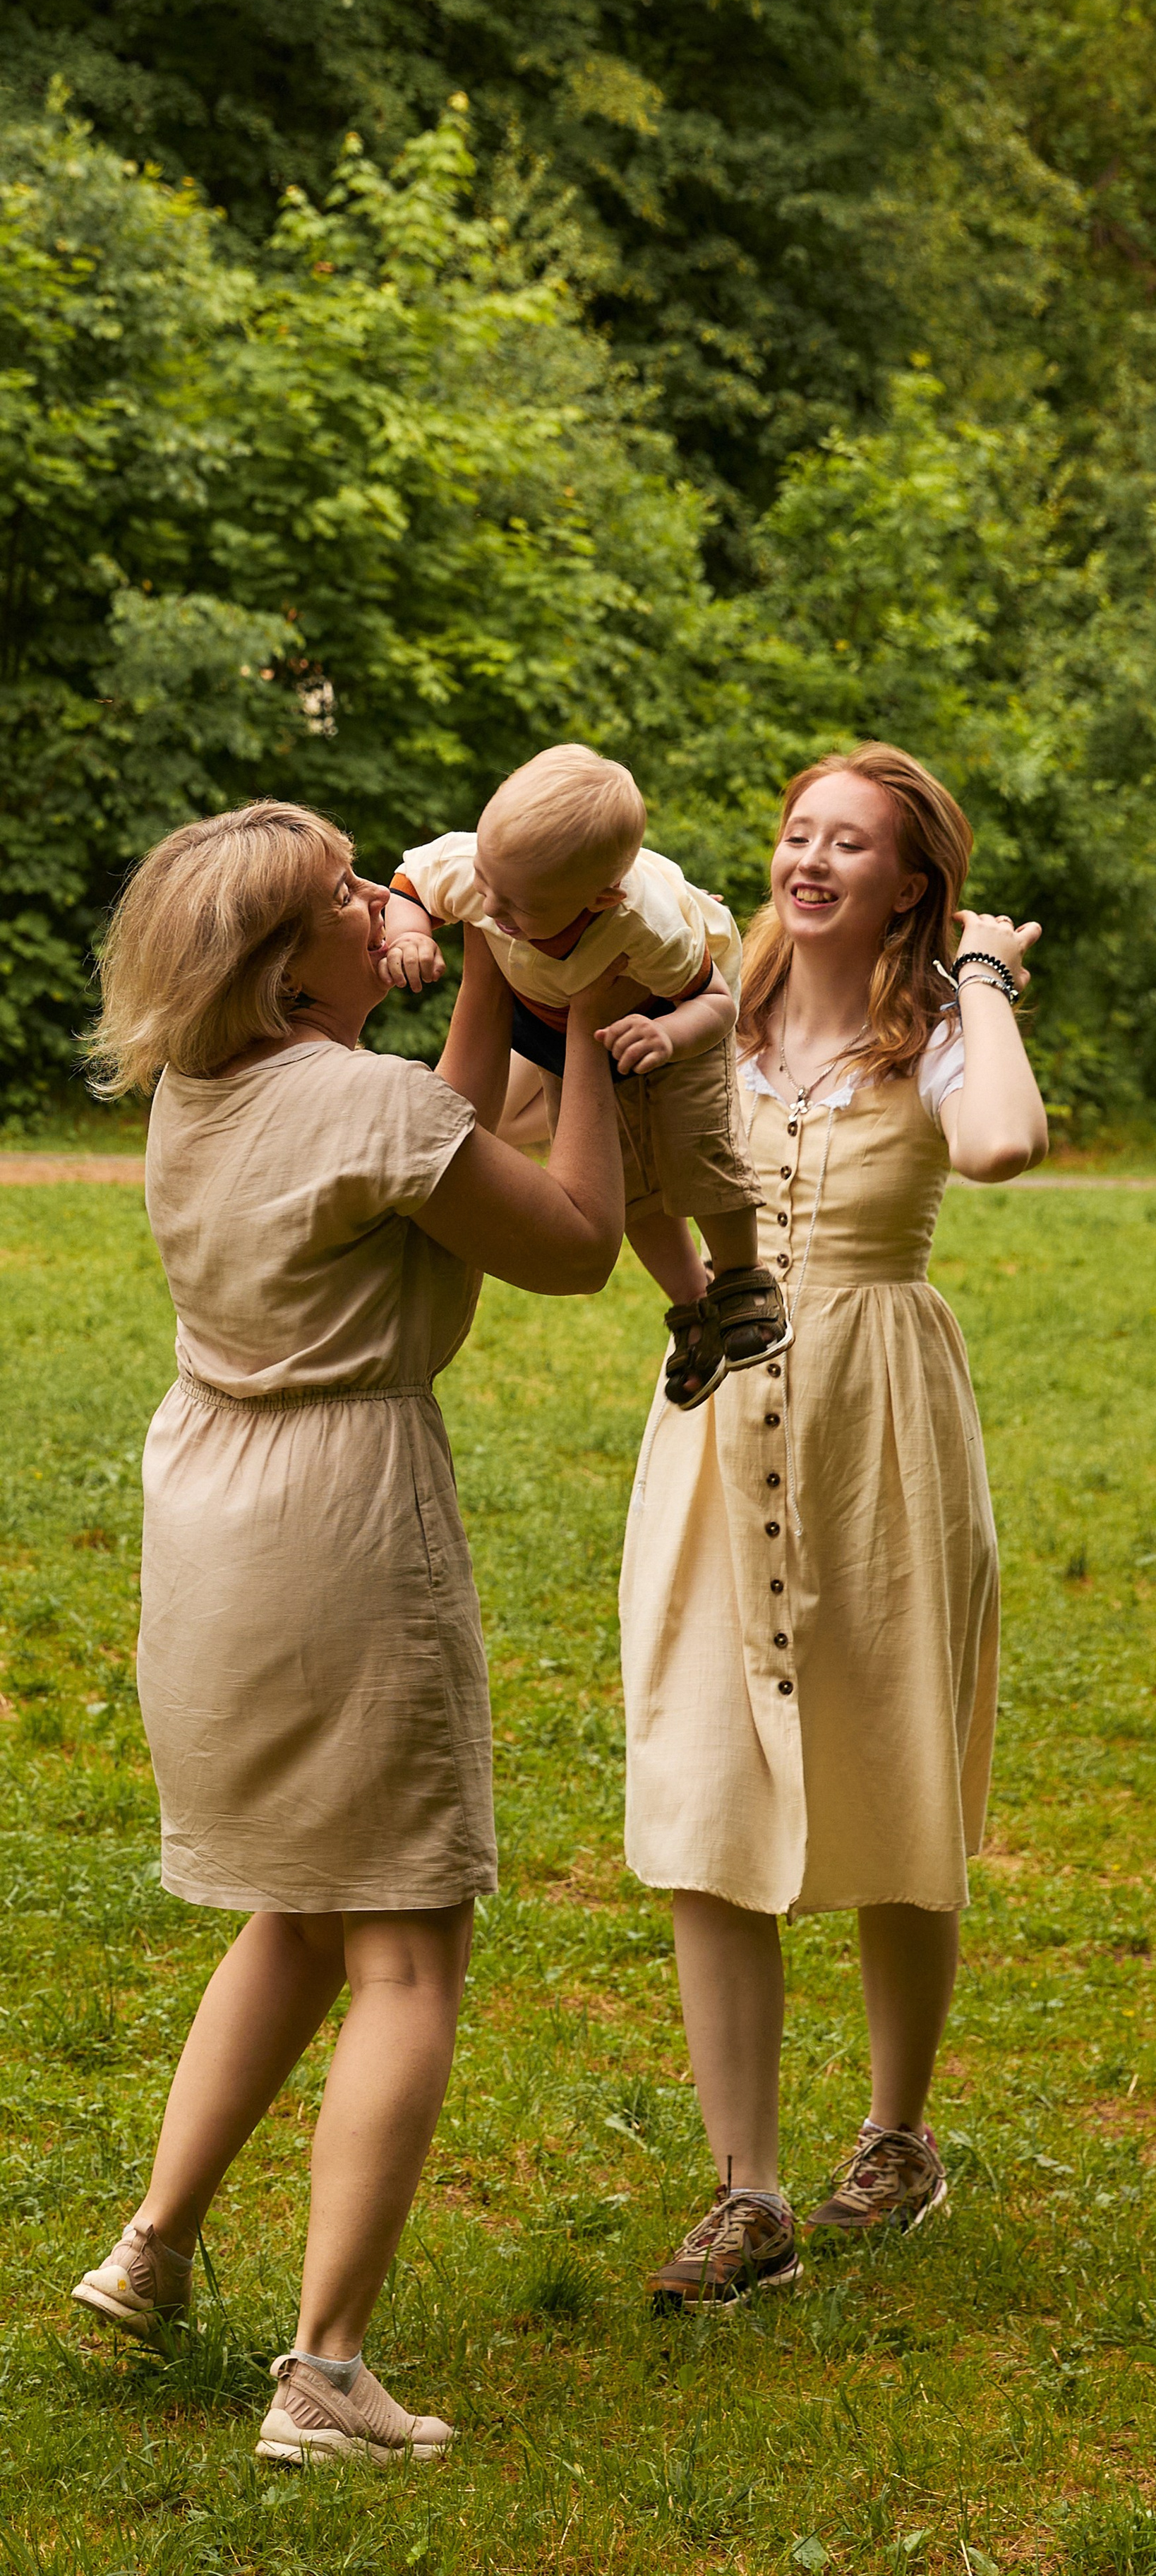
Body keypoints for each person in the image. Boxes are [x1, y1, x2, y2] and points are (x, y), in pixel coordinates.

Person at [70, 801, 624, 2464]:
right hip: (339, 1521)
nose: (376, 889)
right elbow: (579, 1244)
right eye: (340, 891)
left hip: (217, 1512)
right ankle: (322, 2370)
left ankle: (152, 2245)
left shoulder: (207, 1085)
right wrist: (590, 997)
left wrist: (473, 974)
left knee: (295, 1910)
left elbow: (421, 1129)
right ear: (280, 958)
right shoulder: (357, 1105)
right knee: (398, 1943)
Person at [617, 743, 1049, 2311]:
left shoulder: (932, 1031)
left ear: (908, 886)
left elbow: (1000, 1146)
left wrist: (982, 978)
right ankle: (746, 2197)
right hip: (718, 1416)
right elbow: (581, 1162)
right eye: (796, 833)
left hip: (880, 1426)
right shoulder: (700, 1028)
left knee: (890, 1773)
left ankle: (897, 2136)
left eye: (848, 846)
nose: (807, 863)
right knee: (705, 1786)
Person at [383, 742, 790, 1407]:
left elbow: (717, 1003)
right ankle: (692, 1303)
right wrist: (410, 935)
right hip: (558, 1020)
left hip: (673, 1012)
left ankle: (743, 1282)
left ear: (602, 897)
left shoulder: (648, 926)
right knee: (617, 1176)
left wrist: (664, 1034)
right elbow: (410, 890)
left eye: (518, 904)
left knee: (695, 1150)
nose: (489, 906)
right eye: (485, 882)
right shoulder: (484, 871)